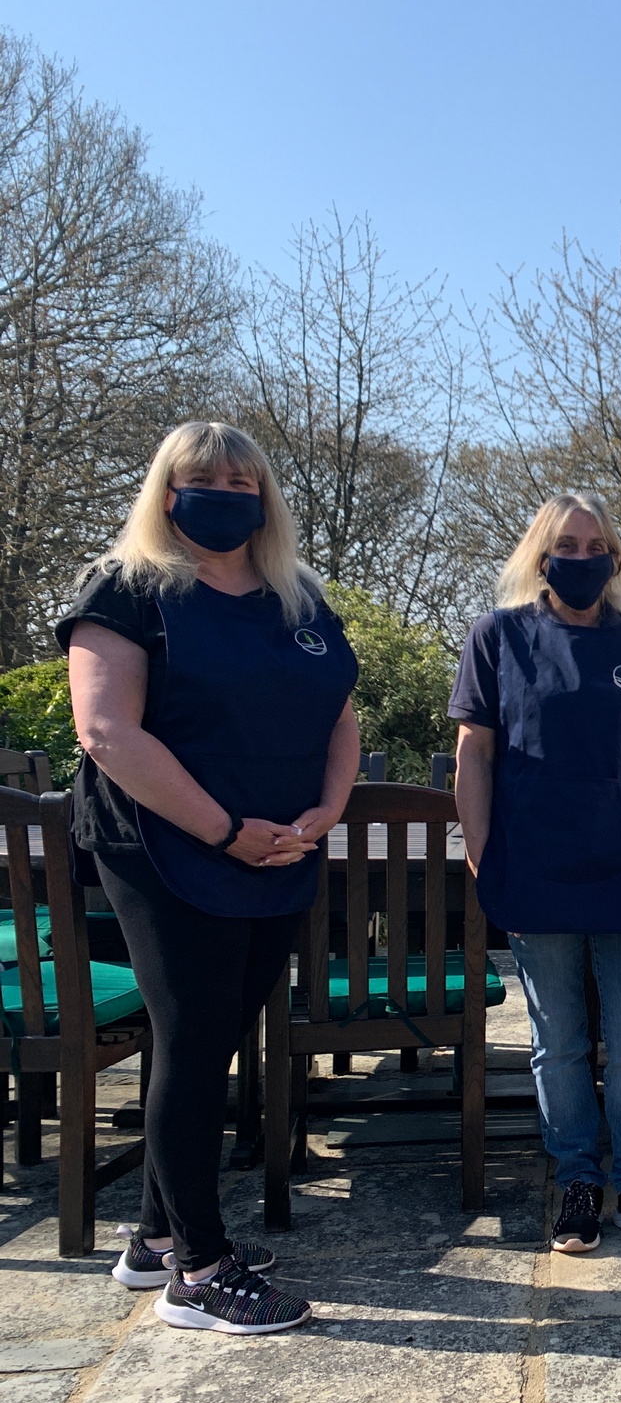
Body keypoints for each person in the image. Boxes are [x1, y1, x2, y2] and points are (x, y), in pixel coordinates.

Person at [63, 422, 359, 1334]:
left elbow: (339, 714)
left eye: (243, 479)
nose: (226, 492)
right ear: (165, 490)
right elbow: (106, 730)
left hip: (282, 849)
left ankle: (155, 1235)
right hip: (166, 848)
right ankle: (198, 1271)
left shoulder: (295, 596)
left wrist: (325, 813)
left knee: (217, 1035)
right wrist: (226, 830)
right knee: (191, 1041)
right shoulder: (125, 588)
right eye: (203, 479)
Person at [451, 493, 621, 1252]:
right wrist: (483, 857)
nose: (582, 559)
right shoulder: (497, 638)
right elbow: (475, 755)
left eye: (596, 547)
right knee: (556, 1044)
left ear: (615, 558)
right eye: (566, 545)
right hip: (534, 867)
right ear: (538, 554)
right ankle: (579, 1183)